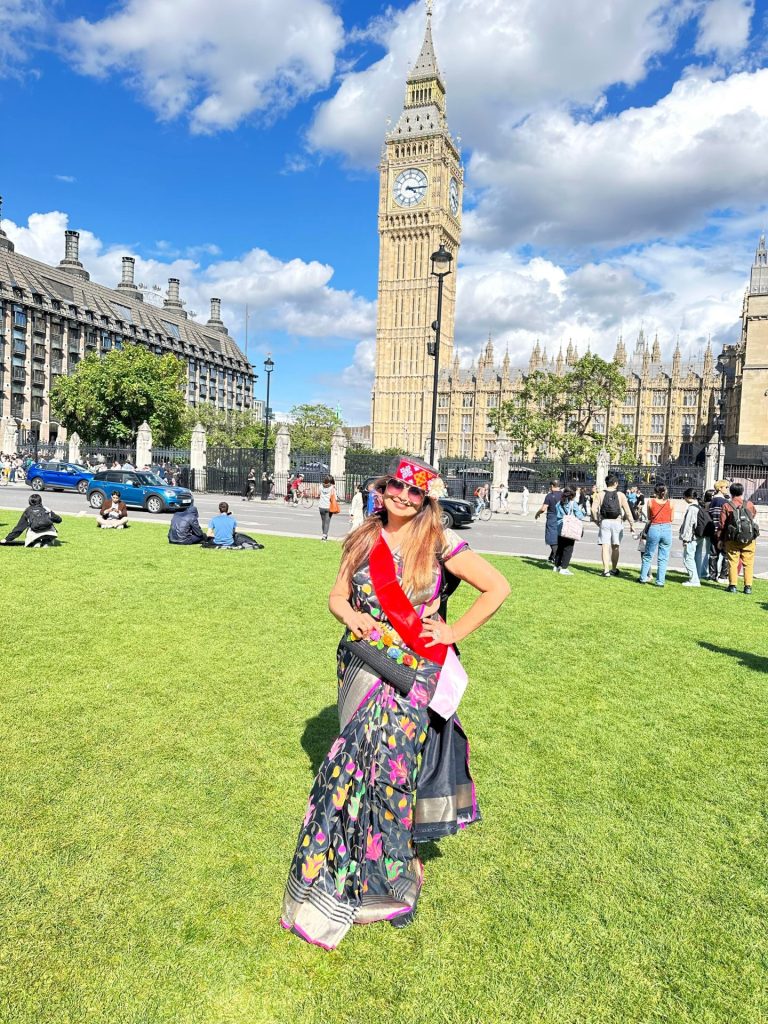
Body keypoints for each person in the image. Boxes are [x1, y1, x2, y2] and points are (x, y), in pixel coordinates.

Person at [281, 457, 510, 949]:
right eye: (398, 488)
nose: (405, 498)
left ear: (426, 499)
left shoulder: (441, 542)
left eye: (415, 493)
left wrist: (452, 630)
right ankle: (355, 860)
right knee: (352, 766)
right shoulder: (363, 539)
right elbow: (337, 597)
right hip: (362, 666)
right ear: (383, 490)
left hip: (414, 673)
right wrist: (352, 617)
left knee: (393, 771)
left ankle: (396, 876)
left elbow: (498, 587)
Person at [592, 473, 636, 577]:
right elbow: (627, 511)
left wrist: (596, 520)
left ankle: (606, 570)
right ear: (615, 483)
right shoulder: (621, 495)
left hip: (605, 521)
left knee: (605, 546)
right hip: (617, 522)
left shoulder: (600, 494)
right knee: (615, 547)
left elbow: (593, 509)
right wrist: (631, 524)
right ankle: (614, 569)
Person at [720, 482, 759, 595]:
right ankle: (748, 587)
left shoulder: (727, 506)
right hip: (748, 538)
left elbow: (722, 524)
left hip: (732, 538)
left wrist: (721, 539)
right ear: (742, 492)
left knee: (732, 561)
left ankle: (732, 586)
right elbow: (753, 517)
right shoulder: (749, 504)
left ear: (731, 492)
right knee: (748, 562)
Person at [638, 483, 675, 586]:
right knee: (663, 557)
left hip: (654, 527)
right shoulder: (671, 503)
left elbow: (649, 517)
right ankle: (660, 581)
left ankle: (643, 578)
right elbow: (672, 519)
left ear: (655, 492)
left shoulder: (650, 502)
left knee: (648, 555)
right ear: (665, 492)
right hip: (667, 528)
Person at [553, 486, 586, 575]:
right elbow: (580, 516)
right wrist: (583, 511)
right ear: (573, 495)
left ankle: (556, 566)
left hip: (560, 526)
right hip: (569, 527)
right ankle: (564, 568)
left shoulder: (559, 503)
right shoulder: (572, 503)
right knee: (568, 548)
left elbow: (556, 513)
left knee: (560, 547)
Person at [708, 479, 731, 583]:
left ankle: (712, 575)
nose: (727, 489)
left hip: (713, 530)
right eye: (726, 487)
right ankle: (723, 576)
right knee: (725, 554)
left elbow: (711, 515)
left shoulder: (713, 501)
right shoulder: (723, 501)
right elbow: (722, 518)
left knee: (713, 554)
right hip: (721, 531)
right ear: (720, 488)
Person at [535, 480, 562, 562]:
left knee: (551, 538)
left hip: (552, 517)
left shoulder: (549, 496)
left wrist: (537, 513)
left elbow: (543, 509)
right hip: (561, 518)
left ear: (552, 486)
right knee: (559, 537)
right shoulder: (563, 495)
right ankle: (552, 557)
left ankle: (557, 558)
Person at [678, 488, 700, 587]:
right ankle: (696, 576)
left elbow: (688, 525)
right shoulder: (699, 506)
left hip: (691, 537)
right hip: (698, 536)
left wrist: (685, 539)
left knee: (688, 558)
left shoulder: (692, 508)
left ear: (689, 497)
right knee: (696, 557)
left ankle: (694, 580)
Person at [695, 489, 716, 581]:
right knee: (709, 552)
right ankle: (704, 571)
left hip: (701, 530)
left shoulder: (702, 505)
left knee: (698, 552)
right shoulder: (712, 506)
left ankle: (699, 571)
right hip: (710, 530)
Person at [318, 475, 337, 541]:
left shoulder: (321, 486)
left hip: (321, 506)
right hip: (328, 506)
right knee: (327, 522)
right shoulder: (332, 488)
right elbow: (335, 498)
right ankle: (324, 536)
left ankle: (324, 534)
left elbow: (318, 494)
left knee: (323, 521)